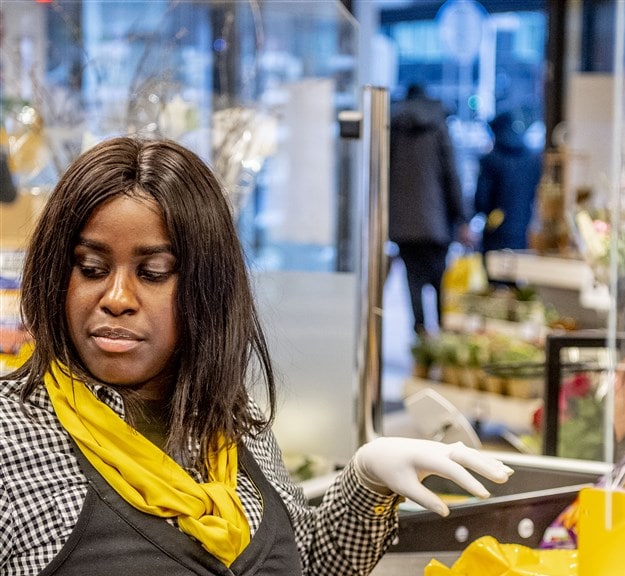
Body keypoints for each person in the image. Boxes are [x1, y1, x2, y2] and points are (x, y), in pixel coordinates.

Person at [0, 136, 512, 575]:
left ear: (206, 287)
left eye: (153, 273)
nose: (116, 297)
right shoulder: (13, 437)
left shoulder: (231, 422)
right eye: (91, 267)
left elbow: (302, 562)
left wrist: (367, 480)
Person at [388, 84, 469, 334]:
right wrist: (462, 217)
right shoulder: (438, 126)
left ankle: (421, 339)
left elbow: (385, 174)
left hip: (403, 223)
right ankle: (444, 339)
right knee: (440, 282)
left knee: (413, 282)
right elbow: (451, 176)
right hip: (436, 223)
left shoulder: (394, 126)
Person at [473, 112, 542, 264]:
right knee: (518, 279)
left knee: (494, 280)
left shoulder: (490, 160)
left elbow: (481, 201)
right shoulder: (531, 159)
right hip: (523, 231)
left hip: (495, 232)